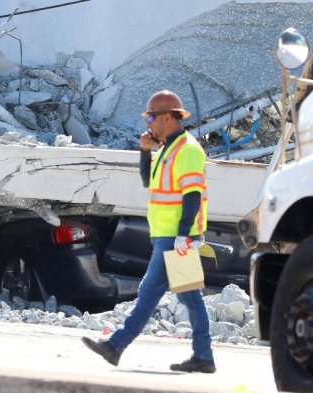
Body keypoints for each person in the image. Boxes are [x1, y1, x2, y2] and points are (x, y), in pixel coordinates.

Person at [81, 90, 215, 373]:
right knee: (191, 297)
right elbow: (148, 180)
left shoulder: (187, 150)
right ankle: (204, 356)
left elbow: (192, 195)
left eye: (152, 117)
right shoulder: (169, 148)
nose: (149, 123)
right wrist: (145, 151)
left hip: (175, 238)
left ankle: (115, 346)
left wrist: (182, 235)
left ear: (168, 117)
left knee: (149, 290)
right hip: (170, 236)